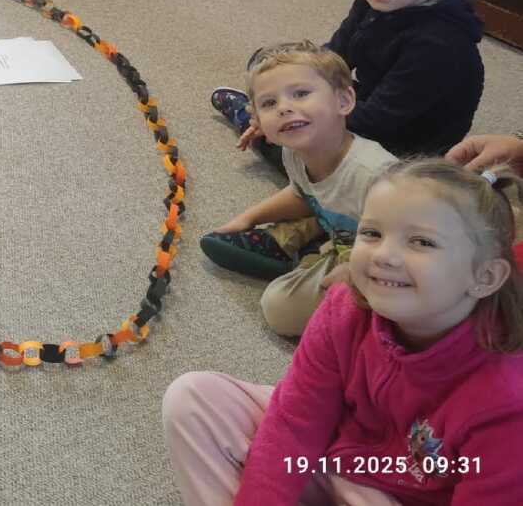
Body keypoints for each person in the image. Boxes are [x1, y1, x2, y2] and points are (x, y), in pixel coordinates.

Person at [164, 158, 523, 505]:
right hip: (333, 459)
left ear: (485, 276)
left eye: (422, 242)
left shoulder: (506, 399)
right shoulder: (344, 309)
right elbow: (295, 424)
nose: (384, 255)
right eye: (372, 233)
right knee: (194, 400)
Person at [213, 0, 485, 161]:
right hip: (372, 98)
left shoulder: (438, 45)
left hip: (402, 146)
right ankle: (264, 112)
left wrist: (288, 119)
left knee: (296, 150)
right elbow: (333, 57)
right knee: (268, 63)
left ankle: (249, 118)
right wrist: (292, 83)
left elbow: (377, 120)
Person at [202, 42, 397, 336]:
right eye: (269, 103)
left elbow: (406, 243)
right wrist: (248, 218)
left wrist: (354, 273)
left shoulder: (374, 174)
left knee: (280, 309)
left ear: (344, 101)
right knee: (282, 306)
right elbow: (302, 194)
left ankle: (305, 254)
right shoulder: (293, 153)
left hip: (386, 260)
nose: (284, 108)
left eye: (301, 94)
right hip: (348, 242)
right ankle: (307, 253)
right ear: (259, 122)